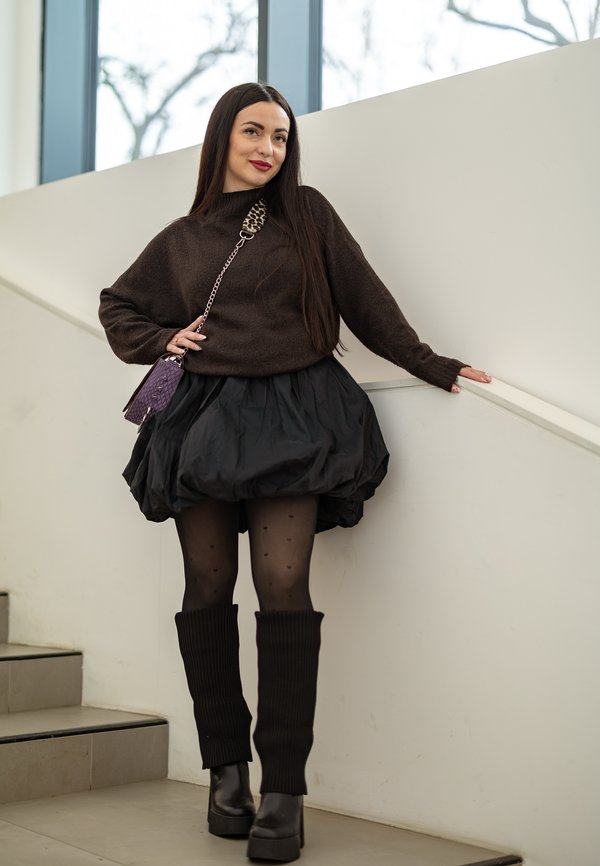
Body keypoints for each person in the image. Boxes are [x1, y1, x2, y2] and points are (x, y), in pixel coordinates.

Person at [98, 82, 491, 863]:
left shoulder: (306, 214)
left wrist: (432, 364)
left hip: (295, 418)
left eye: (280, 137)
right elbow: (119, 307)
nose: (268, 149)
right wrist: (165, 338)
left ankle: (284, 790)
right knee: (207, 592)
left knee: (284, 592)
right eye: (254, 132)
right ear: (222, 138)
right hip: (202, 424)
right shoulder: (180, 238)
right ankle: (226, 773)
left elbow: (368, 303)